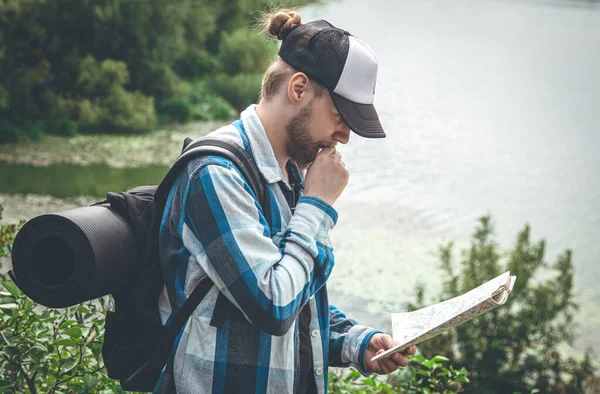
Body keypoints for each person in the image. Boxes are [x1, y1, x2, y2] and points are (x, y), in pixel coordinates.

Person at [153, 9, 416, 394]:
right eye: (342, 116)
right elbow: (272, 306)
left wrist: (357, 343)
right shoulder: (215, 174)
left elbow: (297, 304)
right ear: (298, 88)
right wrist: (317, 207)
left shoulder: (290, 174)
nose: (344, 137)